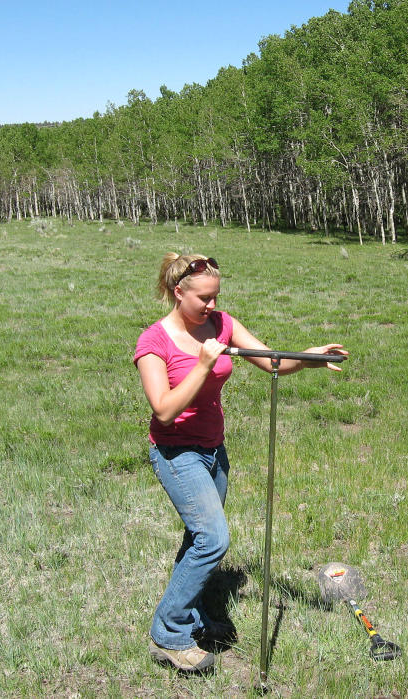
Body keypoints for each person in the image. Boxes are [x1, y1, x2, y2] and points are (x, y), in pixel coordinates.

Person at [134, 252, 346, 673]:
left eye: (216, 297)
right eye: (204, 299)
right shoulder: (153, 343)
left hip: (214, 450)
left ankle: (191, 615)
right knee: (212, 539)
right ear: (179, 293)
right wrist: (202, 365)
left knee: (199, 538)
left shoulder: (222, 323)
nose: (212, 306)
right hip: (177, 453)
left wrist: (309, 356)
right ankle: (169, 632)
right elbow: (163, 410)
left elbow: (272, 361)